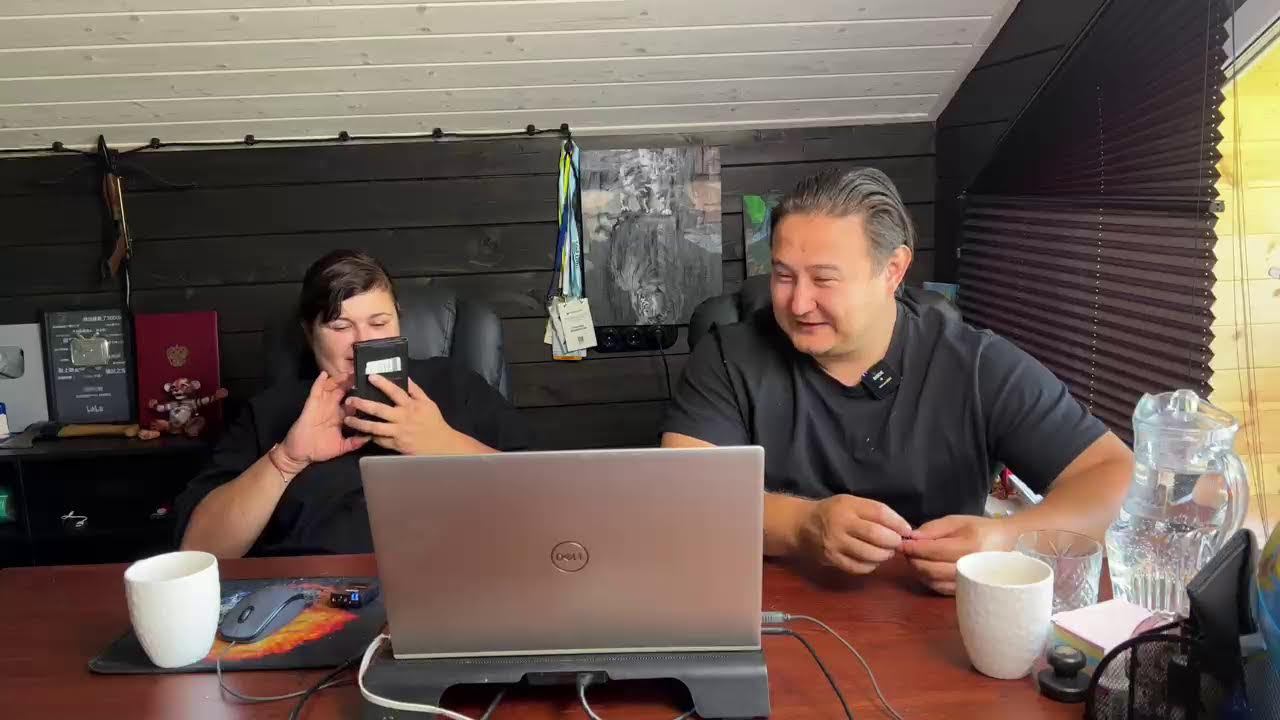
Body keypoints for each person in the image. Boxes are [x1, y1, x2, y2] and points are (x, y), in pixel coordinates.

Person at [662, 168, 1133, 595]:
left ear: (892, 270)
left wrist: (1005, 539)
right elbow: (684, 498)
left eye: (824, 280)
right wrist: (803, 526)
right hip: (773, 617)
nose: (799, 303)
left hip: (940, 625)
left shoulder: (975, 364)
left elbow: (1113, 473)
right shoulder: (727, 357)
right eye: (784, 276)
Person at [175, 250, 528, 558]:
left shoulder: (455, 382)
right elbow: (199, 549)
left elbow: (537, 499)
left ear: (399, 321)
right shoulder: (269, 411)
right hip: (313, 594)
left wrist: (441, 443)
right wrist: (285, 461)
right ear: (309, 333)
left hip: (451, 577)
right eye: (340, 326)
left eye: (379, 322)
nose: (362, 342)